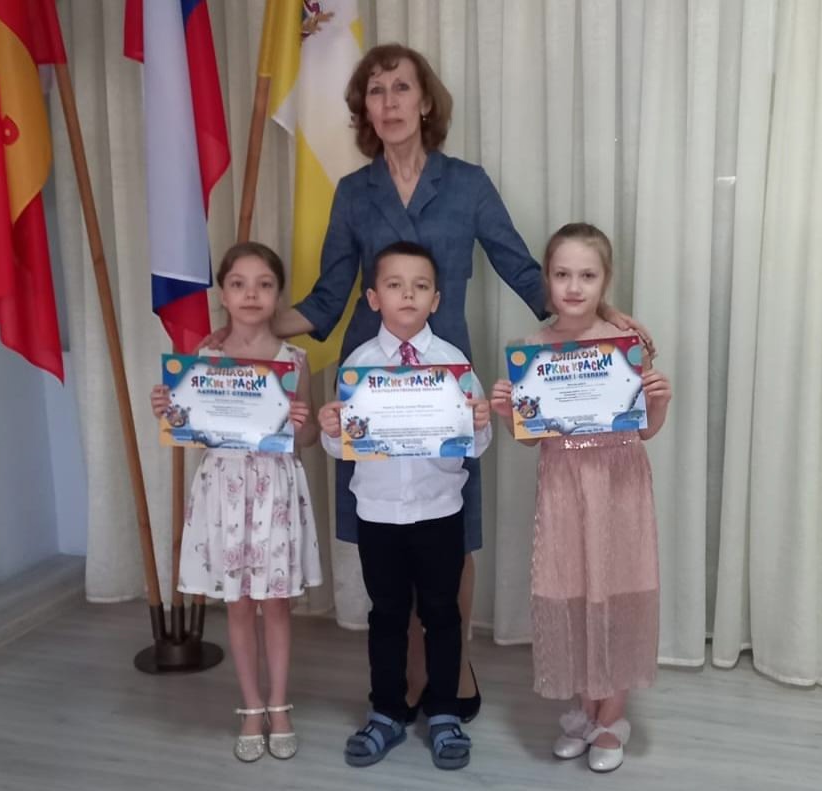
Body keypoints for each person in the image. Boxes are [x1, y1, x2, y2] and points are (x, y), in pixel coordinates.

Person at [205, 42, 651, 721]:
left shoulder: (467, 184)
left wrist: (603, 317)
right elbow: (326, 300)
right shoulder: (353, 193)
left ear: (425, 102)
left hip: (448, 379)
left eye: (401, 88)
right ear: (365, 110)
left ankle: (447, 663)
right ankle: (403, 669)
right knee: (387, 528)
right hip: (372, 382)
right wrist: (247, 323)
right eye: (375, 91)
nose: (388, 102)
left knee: (450, 527)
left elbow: (522, 269)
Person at [490, 223, 672, 774]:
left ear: (605, 281)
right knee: (571, 590)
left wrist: (659, 400)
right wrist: (508, 414)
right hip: (564, 484)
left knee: (614, 591)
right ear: (547, 280)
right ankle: (585, 710)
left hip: (618, 483)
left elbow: (644, 429)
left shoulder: (626, 345)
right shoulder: (532, 350)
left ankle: (612, 716)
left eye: (587, 275)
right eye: (562, 274)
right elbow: (532, 438)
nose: (574, 286)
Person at [318, 241, 491, 770]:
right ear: (374, 298)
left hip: (439, 510)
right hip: (379, 514)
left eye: (420, 286)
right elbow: (343, 449)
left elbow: (476, 445)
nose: (408, 295)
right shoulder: (358, 366)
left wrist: (480, 423)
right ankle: (387, 712)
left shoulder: (454, 364)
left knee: (442, 614)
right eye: (394, 285)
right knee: (388, 616)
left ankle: (444, 713)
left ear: (436, 299)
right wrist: (332, 429)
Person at [150, 242, 322, 763]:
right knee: (240, 605)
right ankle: (250, 706)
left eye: (264, 284)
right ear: (223, 294)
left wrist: (302, 422)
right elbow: (193, 432)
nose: (251, 294)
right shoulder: (203, 360)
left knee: (276, 604)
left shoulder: (294, 360)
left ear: (277, 295)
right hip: (224, 490)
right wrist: (170, 409)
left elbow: (308, 439)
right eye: (239, 284)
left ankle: (279, 706)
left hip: (275, 490)